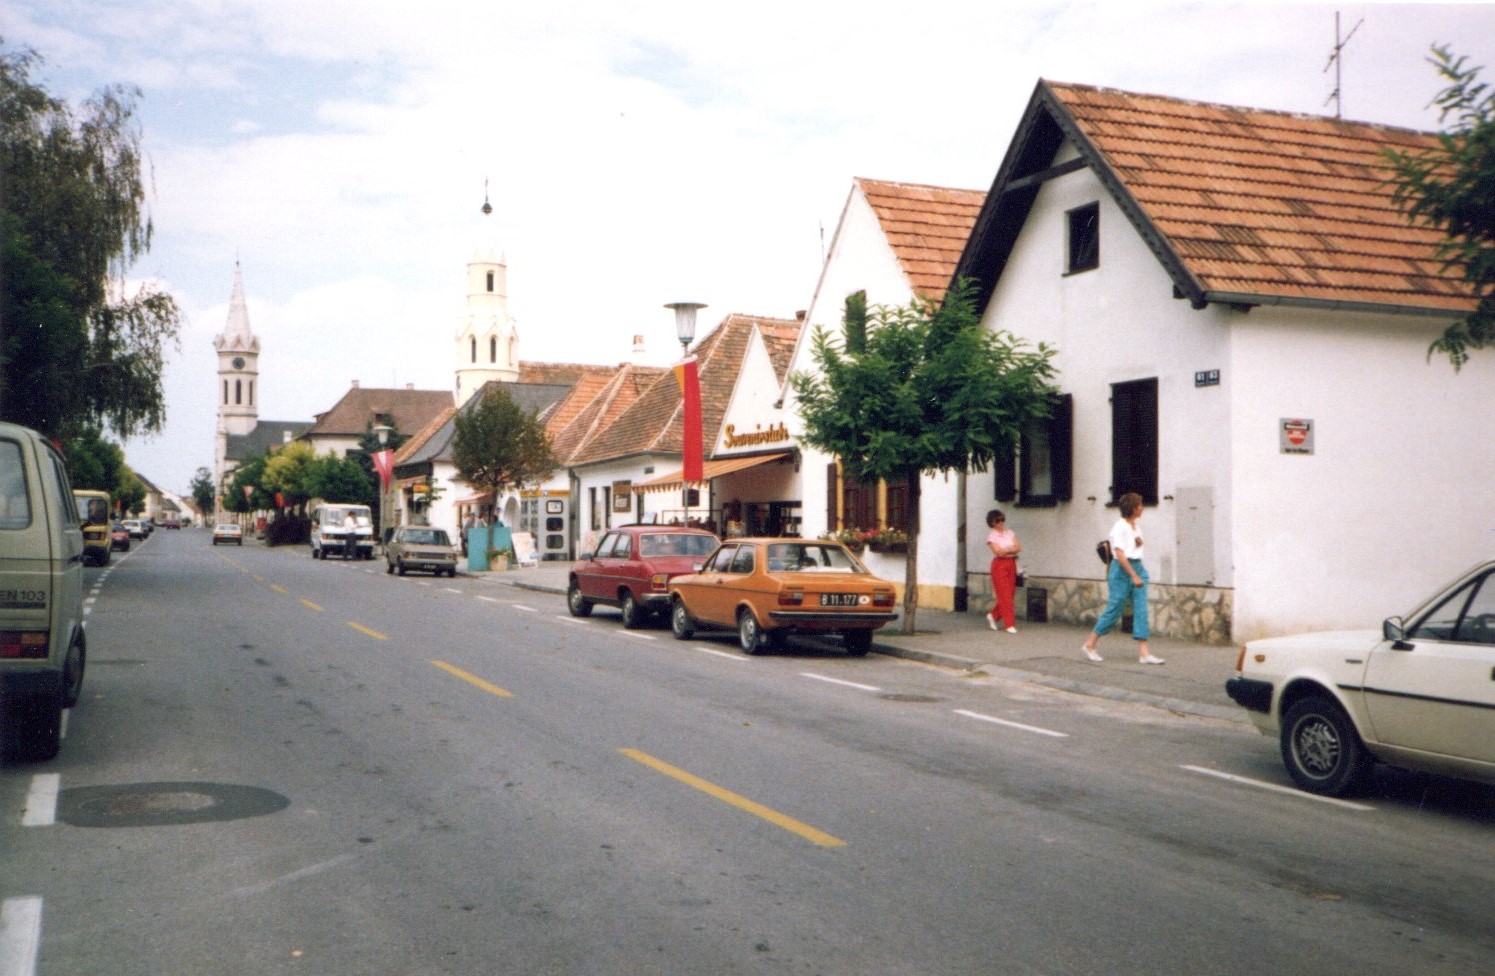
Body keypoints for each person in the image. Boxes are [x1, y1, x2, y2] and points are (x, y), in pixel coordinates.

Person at [1082, 492, 1165, 665]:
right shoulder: (1119, 527)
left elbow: (1135, 546)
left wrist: (1138, 573)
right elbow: (1119, 554)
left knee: (1141, 609)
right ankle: (1090, 644)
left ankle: (1144, 653)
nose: (1142, 508)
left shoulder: (1135, 526)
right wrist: (1133, 576)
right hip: (1122, 570)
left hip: (1137, 566)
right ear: (1133, 508)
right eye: (1140, 505)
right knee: (1114, 608)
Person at [984, 509, 1021, 634]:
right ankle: (1009, 624)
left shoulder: (1009, 533)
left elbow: (1018, 547)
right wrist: (1011, 550)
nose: (1001, 523)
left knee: (1010, 594)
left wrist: (1007, 551)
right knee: (1004, 595)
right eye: (998, 521)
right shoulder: (992, 536)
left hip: (1011, 564)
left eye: (1002, 520)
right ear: (992, 523)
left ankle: (993, 616)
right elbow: (998, 552)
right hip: (999, 566)